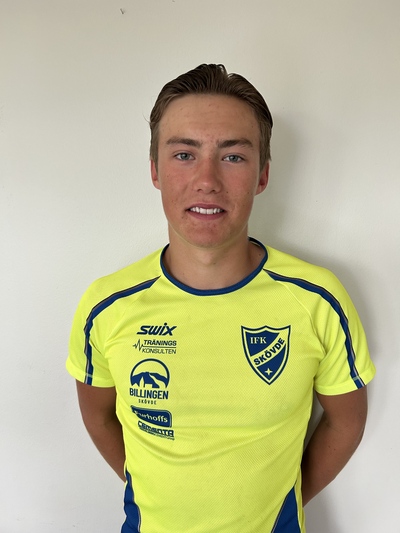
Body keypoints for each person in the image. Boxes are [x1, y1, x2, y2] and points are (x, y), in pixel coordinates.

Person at [66, 64, 376, 533]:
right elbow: (100, 418)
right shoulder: (106, 306)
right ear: (154, 170)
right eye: (184, 154)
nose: (207, 179)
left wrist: (281, 503)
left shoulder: (318, 300)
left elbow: (346, 422)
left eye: (232, 156)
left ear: (262, 174)